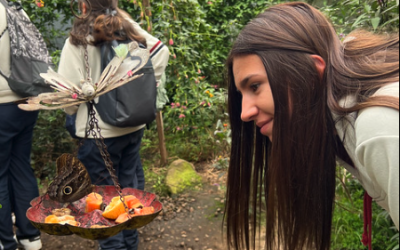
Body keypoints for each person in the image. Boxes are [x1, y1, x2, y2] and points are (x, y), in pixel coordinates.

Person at [224, 2, 399, 250]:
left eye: (255, 86)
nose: (244, 113)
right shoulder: (344, 105)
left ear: (313, 70)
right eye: (242, 94)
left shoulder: (380, 125)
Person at [57, 0, 169, 249]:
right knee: (129, 197)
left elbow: (66, 90)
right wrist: (147, 88)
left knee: (103, 206)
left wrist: (76, 108)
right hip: (132, 127)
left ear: (84, 4)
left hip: (98, 134)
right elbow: (161, 51)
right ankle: (130, 244)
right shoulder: (128, 28)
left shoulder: (79, 37)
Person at [0, 2, 43, 250]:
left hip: (1, 104)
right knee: (21, 168)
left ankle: (5, 241)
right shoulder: (16, 9)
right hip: (26, 100)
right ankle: (31, 236)